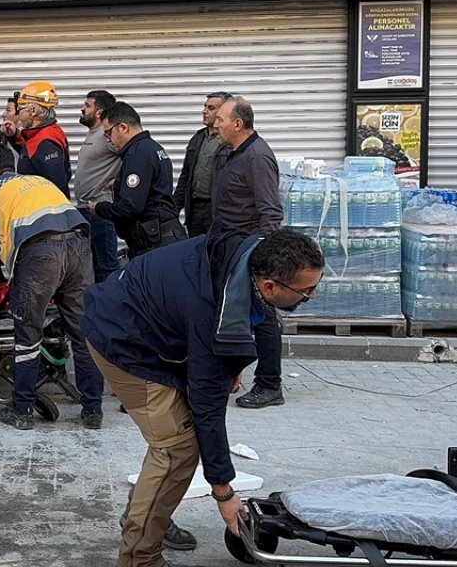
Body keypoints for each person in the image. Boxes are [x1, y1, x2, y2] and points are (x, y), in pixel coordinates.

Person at [83, 229, 324, 567]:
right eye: (306, 291)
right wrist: (223, 491)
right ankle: (140, 556)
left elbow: (232, 324)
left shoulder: (246, 253)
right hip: (122, 343)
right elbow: (208, 410)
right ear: (270, 286)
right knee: (177, 447)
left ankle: (146, 512)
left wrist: (232, 358)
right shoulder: (210, 310)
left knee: (178, 439)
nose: (312, 297)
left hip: (144, 322)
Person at [0, 144, 105, 430]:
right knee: (83, 333)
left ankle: (22, 411)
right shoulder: (39, 181)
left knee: (28, 335)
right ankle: (93, 411)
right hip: (80, 246)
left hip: (41, 254)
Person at [210, 97, 286, 409]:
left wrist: (260, 260)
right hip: (230, 245)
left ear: (238, 124)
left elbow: (270, 212)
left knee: (263, 316)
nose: (216, 124)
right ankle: (231, 373)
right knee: (235, 313)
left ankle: (270, 385)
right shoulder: (235, 152)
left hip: (249, 249)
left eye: (221, 120)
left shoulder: (256, 157)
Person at [90, 102, 186, 259]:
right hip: (163, 236)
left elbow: (130, 206)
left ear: (123, 127)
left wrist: (99, 208)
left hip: (155, 242)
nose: (108, 140)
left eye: (108, 133)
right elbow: (152, 185)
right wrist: (119, 183)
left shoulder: (137, 153)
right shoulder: (152, 147)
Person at [74, 90, 122, 281]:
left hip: (101, 211)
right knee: (90, 267)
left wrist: (118, 180)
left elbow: (134, 155)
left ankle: (113, 308)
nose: (82, 108)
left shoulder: (106, 134)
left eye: (87, 105)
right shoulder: (94, 133)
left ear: (99, 112)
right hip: (85, 209)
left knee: (106, 266)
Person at [173, 92, 232, 237]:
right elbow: (186, 176)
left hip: (217, 210)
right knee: (196, 252)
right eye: (205, 106)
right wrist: (174, 208)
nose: (204, 111)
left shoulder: (230, 142)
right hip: (195, 210)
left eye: (211, 108)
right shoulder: (198, 138)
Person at [1, 81, 72, 198]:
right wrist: (14, 136)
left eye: (20, 109)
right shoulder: (45, 133)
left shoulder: (46, 142)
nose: (18, 115)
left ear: (33, 111)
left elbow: (58, 187)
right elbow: (31, 156)